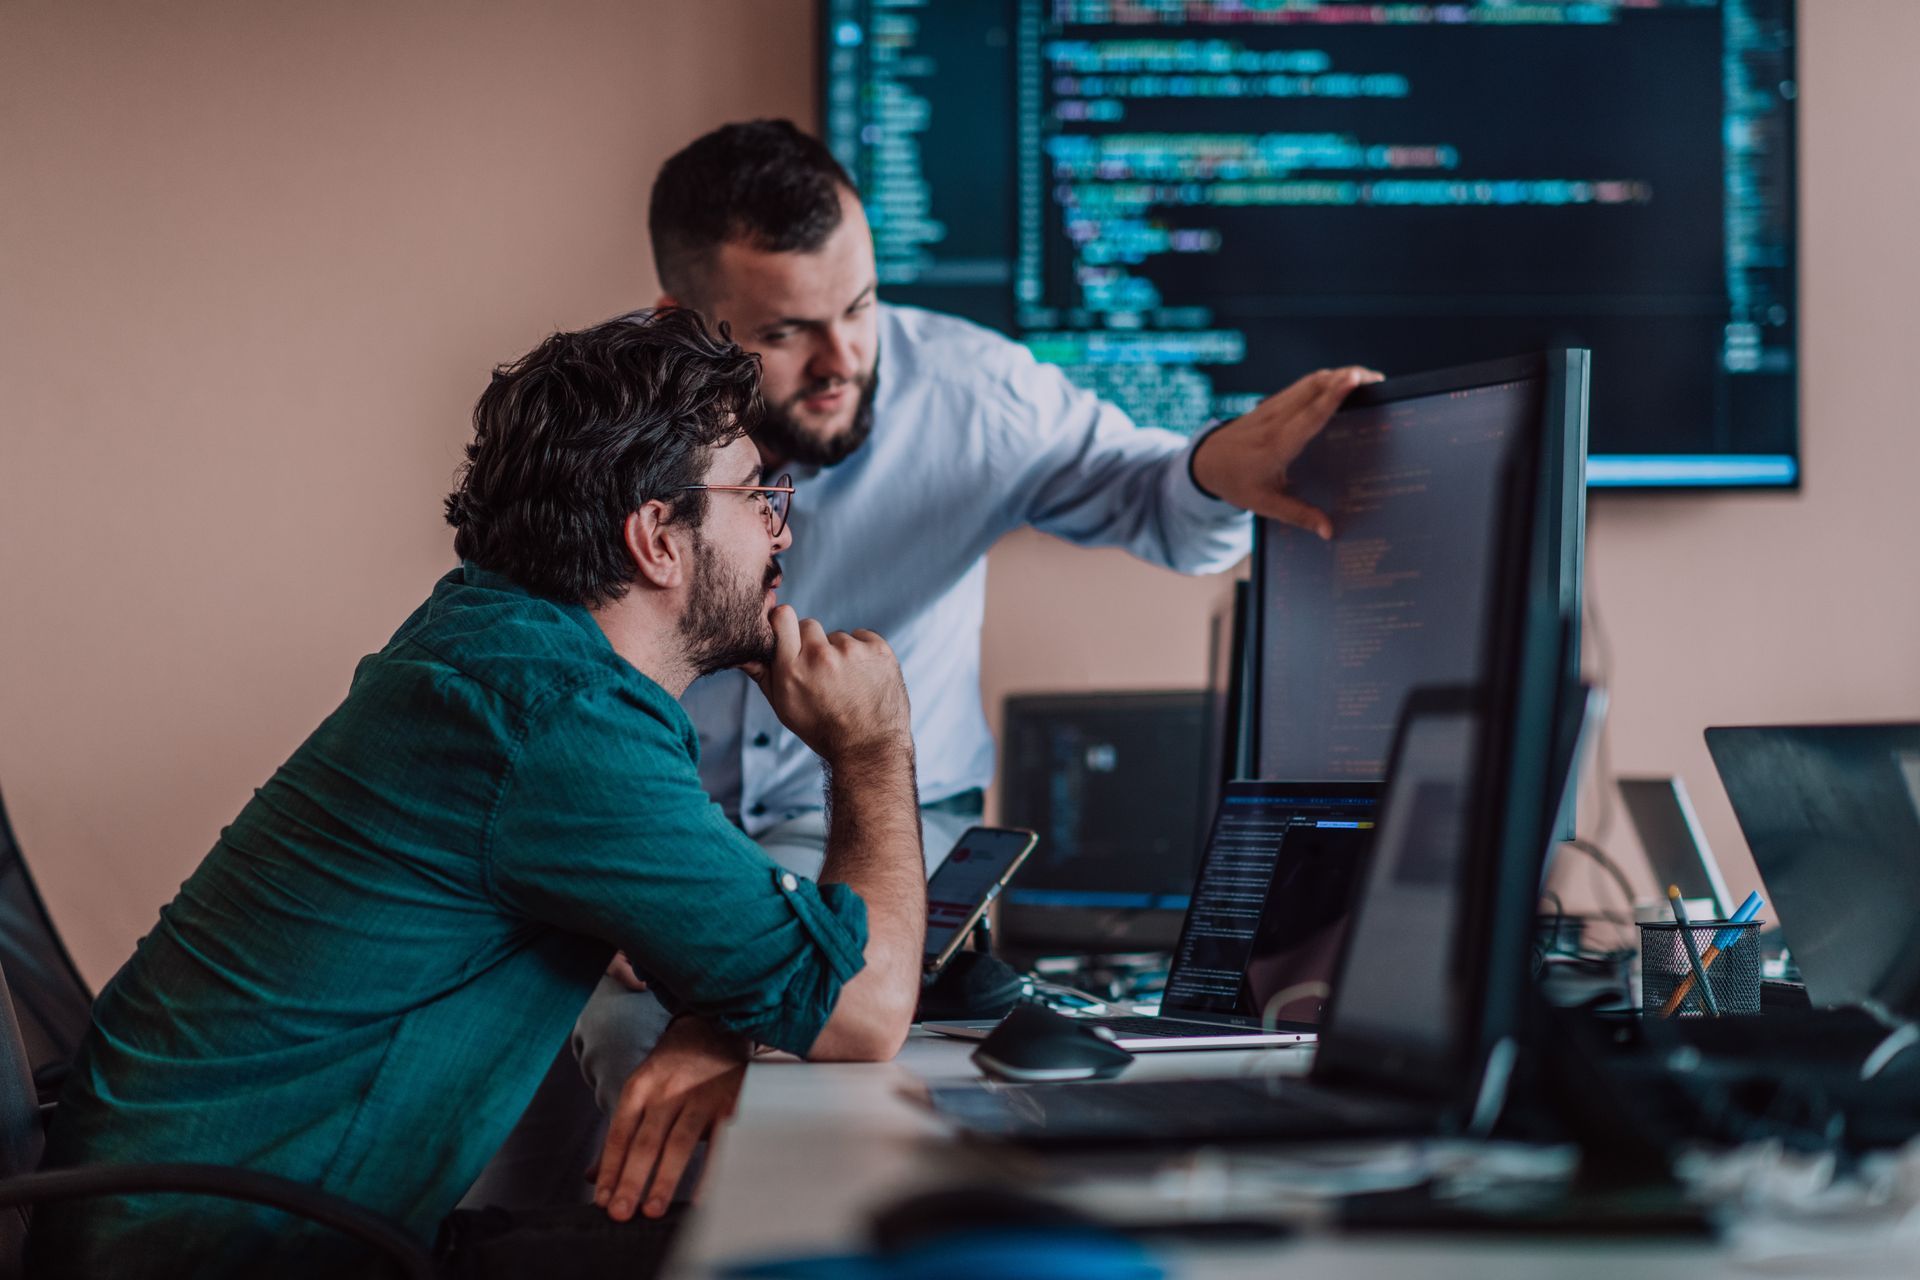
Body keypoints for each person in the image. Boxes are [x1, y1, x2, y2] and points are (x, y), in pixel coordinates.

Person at [555, 118, 1379, 1188]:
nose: (844, 360)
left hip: (874, 822)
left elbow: (1153, 493)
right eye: (786, 333)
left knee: (689, 1039)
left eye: (860, 307)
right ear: (681, 322)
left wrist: (1223, 465)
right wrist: (608, 873)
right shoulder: (596, 419)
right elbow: (551, 655)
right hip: (660, 809)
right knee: (576, 1021)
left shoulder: (977, 396)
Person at [31, 309, 927, 1278]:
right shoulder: (557, 719)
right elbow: (865, 1010)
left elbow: (693, 923)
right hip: (236, 1253)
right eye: (757, 494)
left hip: (192, 1225)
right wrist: (871, 744)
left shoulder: (497, 642)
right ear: (657, 539)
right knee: (835, 1249)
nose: (781, 528)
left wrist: (719, 1007)